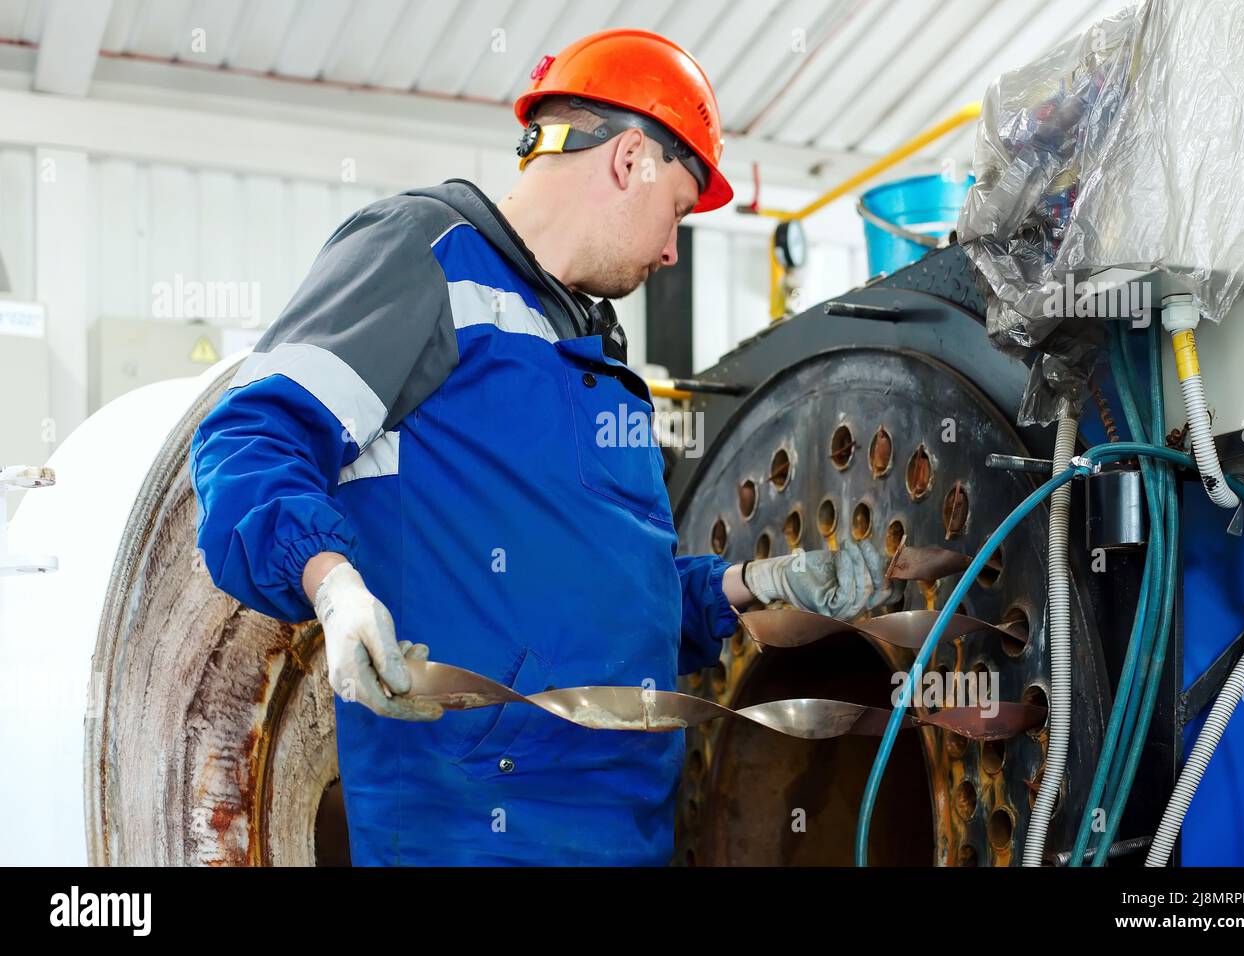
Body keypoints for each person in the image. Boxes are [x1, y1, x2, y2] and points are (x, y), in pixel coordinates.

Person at [189, 28, 897, 866]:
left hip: (627, 830)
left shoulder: (597, 353)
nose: (673, 250)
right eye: (675, 210)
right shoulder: (424, 255)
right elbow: (250, 433)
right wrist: (334, 588)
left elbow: (606, 601)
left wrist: (749, 586)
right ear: (630, 157)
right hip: (478, 835)